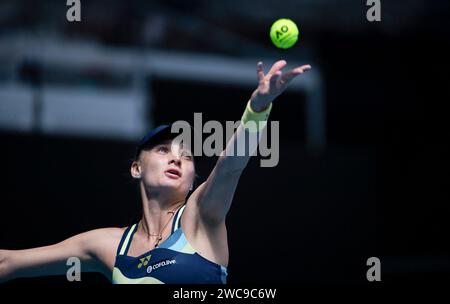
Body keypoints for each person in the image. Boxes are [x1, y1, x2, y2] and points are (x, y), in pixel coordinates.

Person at [0, 60, 311, 284]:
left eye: (186, 157)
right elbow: (9, 261)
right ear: (136, 168)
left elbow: (231, 165)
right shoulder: (108, 246)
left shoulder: (200, 217)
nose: (175, 160)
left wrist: (257, 110)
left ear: (193, 181)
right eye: (163, 151)